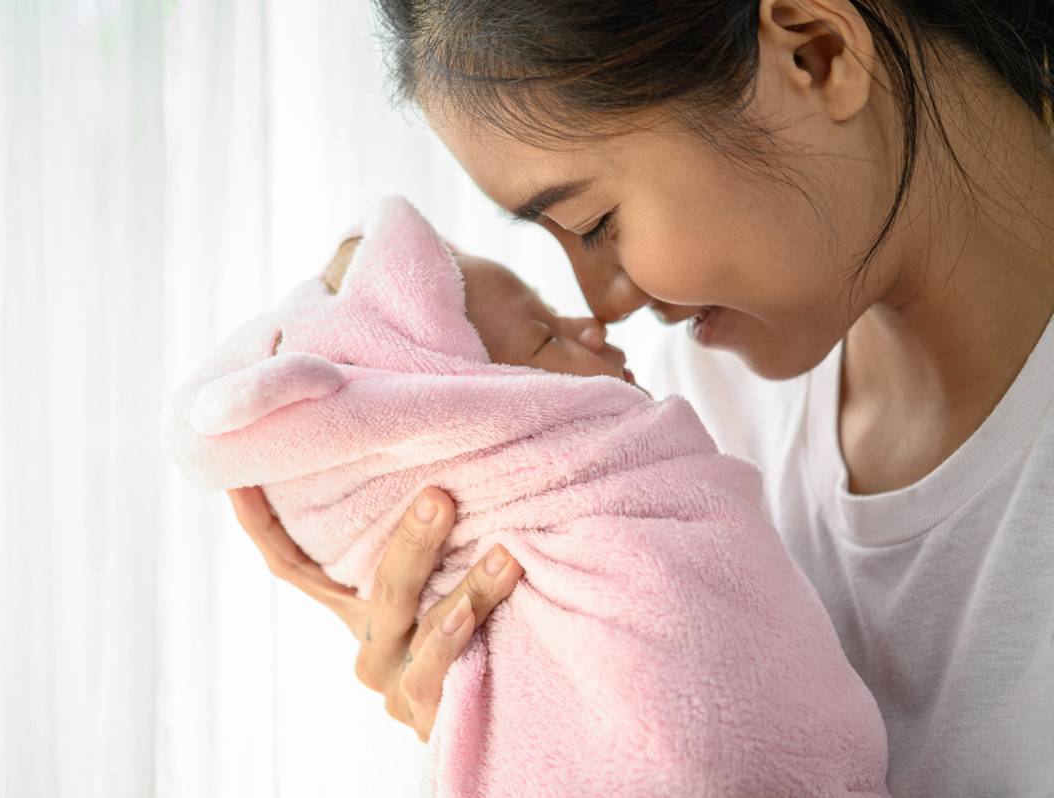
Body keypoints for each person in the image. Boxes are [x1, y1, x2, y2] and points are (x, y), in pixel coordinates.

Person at [228, 1, 1054, 793]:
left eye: (597, 222)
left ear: (815, 52)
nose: (604, 302)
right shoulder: (680, 423)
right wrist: (526, 725)